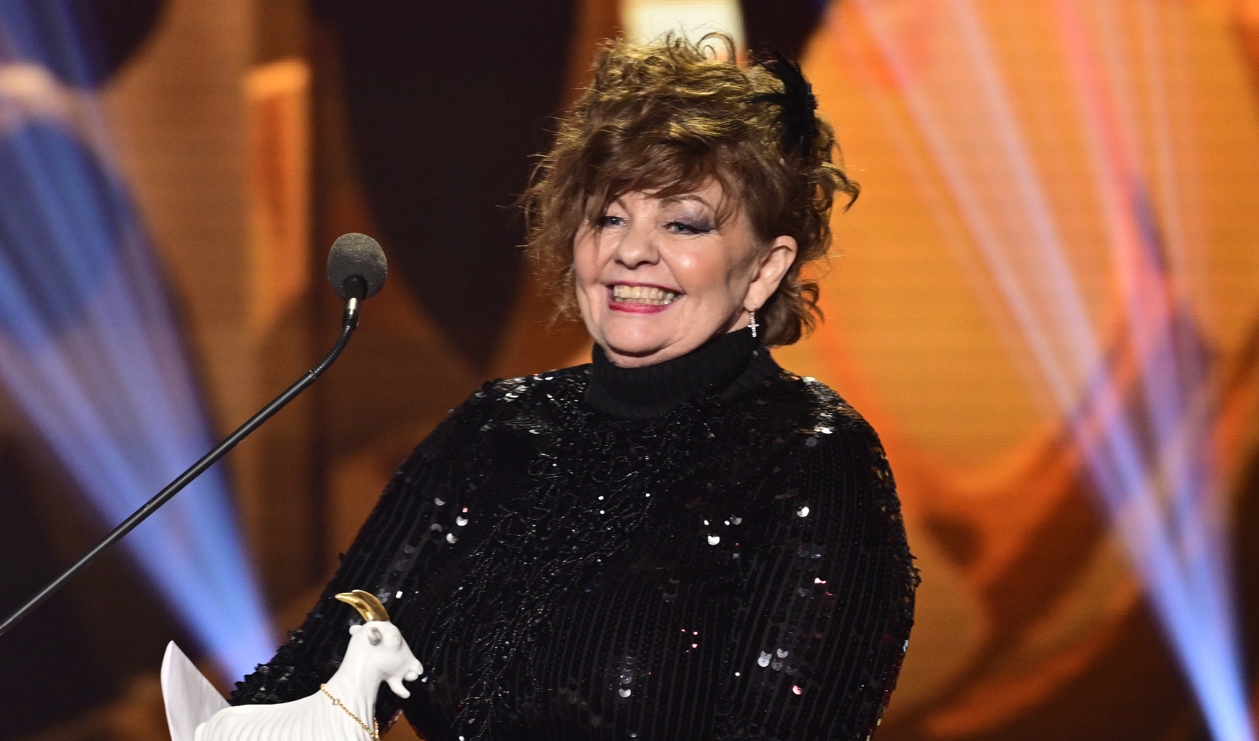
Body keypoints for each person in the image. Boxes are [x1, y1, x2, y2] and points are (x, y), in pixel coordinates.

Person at [231, 33, 918, 741]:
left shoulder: (809, 455)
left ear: (765, 268)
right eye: (608, 216)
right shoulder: (491, 431)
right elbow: (313, 689)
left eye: (682, 222)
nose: (629, 249)